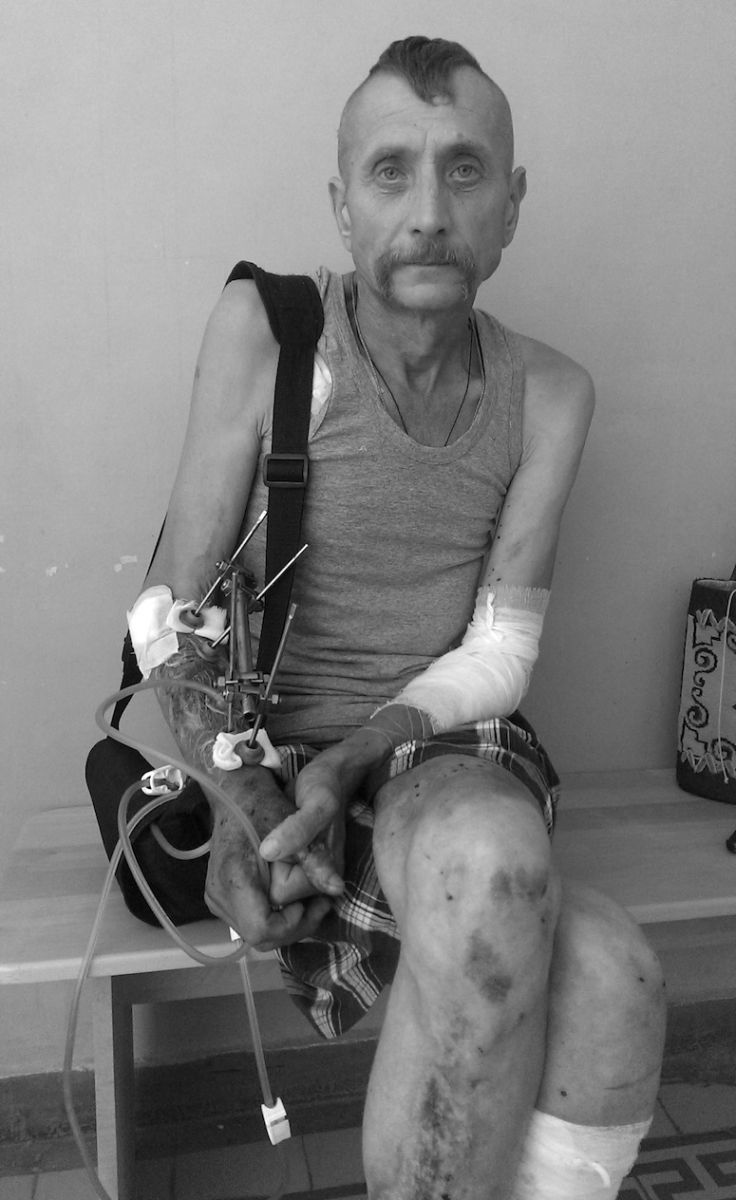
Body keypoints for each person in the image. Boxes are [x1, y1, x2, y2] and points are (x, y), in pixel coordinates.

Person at [130, 36, 666, 1200]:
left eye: (463, 170)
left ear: (510, 205)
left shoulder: (550, 394)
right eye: (390, 172)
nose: (428, 213)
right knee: (608, 977)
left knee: (517, 892)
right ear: (341, 205)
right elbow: (173, 616)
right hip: (253, 751)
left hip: (433, 748)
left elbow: (501, 649)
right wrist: (250, 807)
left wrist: (356, 758)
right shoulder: (271, 334)